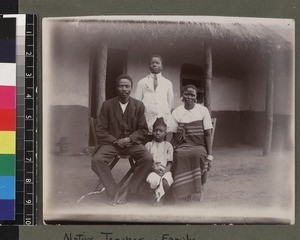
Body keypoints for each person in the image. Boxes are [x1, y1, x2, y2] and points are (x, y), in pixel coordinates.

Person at [91, 74, 153, 205]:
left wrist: (129, 139)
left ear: (131, 88)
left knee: (148, 159)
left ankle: (129, 191)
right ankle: (114, 191)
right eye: (121, 86)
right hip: (112, 144)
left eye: (127, 86)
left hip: (132, 144)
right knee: (97, 160)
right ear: (116, 88)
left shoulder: (139, 105)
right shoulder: (107, 105)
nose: (124, 89)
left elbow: (143, 130)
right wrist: (115, 141)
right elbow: (100, 129)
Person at [171, 84, 213, 202]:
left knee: (197, 154)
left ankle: (194, 190)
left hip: (199, 145)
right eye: (186, 94)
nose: (189, 97)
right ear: (182, 96)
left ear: (195, 97)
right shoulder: (177, 112)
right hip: (182, 145)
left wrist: (210, 155)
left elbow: (208, 134)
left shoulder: (203, 110)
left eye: (192, 95)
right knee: (178, 155)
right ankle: (183, 191)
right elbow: (174, 135)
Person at [135, 55, 176, 134]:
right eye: (152, 63)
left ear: (162, 66)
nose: (154, 65)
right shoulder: (142, 82)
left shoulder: (167, 83)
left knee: (161, 139)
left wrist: (165, 112)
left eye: (157, 63)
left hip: (163, 117)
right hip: (147, 117)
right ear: (149, 66)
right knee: (147, 141)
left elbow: (170, 102)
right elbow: (137, 102)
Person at [145, 117, 174, 205]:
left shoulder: (168, 145)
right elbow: (147, 163)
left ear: (165, 133)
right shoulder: (148, 145)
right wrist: (155, 170)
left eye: (161, 131)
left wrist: (164, 171)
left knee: (165, 181)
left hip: (165, 170)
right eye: (156, 130)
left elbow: (169, 162)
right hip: (152, 170)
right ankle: (157, 197)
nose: (158, 133)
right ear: (152, 131)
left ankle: (161, 198)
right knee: (154, 179)